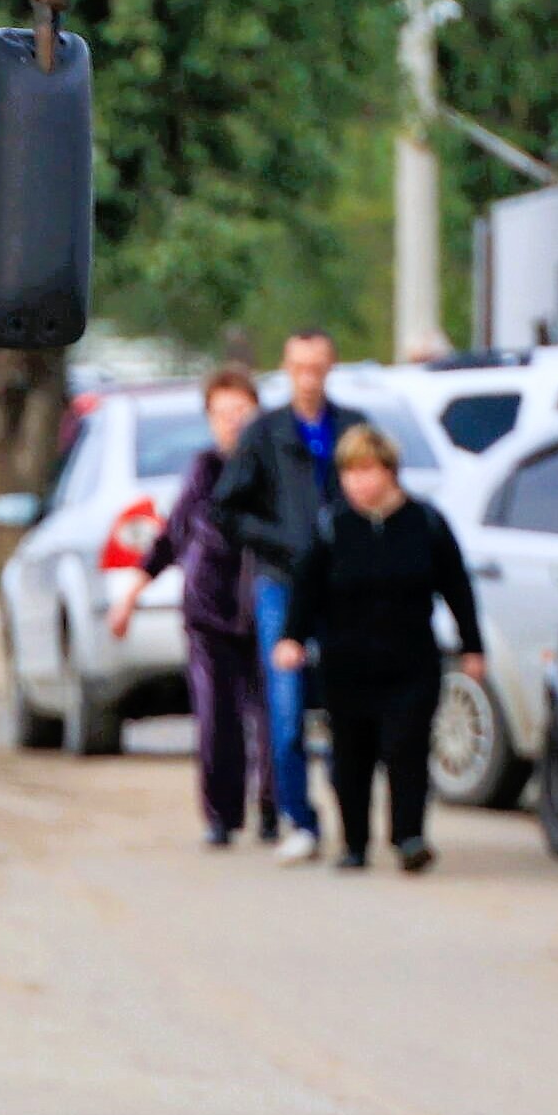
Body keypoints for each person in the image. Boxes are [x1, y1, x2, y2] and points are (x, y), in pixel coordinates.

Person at [271, 421, 486, 873]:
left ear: (390, 471)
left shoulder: (425, 523)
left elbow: (457, 586)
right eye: (350, 473)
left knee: (407, 749)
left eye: (367, 471)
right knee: (351, 758)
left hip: (411, 663)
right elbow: (307, 587)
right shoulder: (333, 527)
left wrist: (473, 645)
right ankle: (355, 844)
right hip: (346, 665)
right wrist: (291, 637)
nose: (359, 483)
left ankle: (409, 837)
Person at [110, 365, 270, 846]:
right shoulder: (203, 470)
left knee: (272, 718)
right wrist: (131, 595)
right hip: (209, 609)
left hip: (265, 608)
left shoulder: (275, 468)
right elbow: (171, 537)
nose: (233, 421)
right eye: (223, 413)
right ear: (209, 418)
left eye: (241, 411)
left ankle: (274, 809)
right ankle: (222, 815)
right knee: (217, 718)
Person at [216, 327, 349, 863]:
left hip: (340, 588)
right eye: (299, 368)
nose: (308, 379)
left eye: (317, 367)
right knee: (286, 706)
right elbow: (226, 508)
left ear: (330, 367)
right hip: (281, 583)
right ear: (287, 368)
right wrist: (283, 541)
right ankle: (300, 817)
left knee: (344, 704)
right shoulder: (265, 433)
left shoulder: (351, 427)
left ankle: (353, 821)